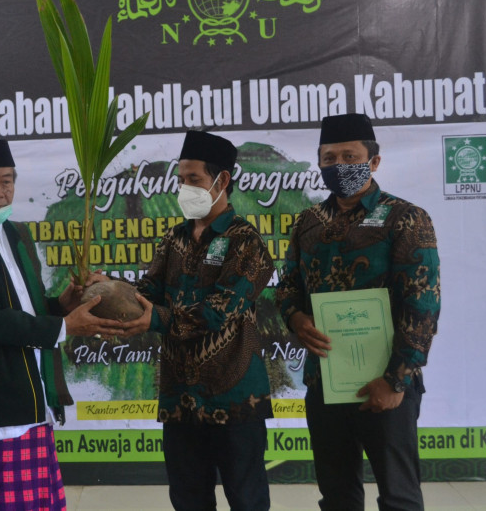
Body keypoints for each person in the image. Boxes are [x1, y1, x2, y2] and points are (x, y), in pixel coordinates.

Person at [0, 139, 127, 511]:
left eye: (7, 180)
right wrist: (64, 327)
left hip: (30, 406)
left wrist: (62, 304)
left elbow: (25, 309)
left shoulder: (15, 234)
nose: (0, 192)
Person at [276, 113, 441, 511]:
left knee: (399, 497)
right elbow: (288, 286)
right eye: (329, 158)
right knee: (337, 496)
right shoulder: (308, 223)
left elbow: (422, 305)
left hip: (386, 380)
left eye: (349, 156)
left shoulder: (406, 218)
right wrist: (296, 318)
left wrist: (396, 380)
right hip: (325, 381)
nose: (339, 165)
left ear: (374, 161)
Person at [121, 130, 275, 511]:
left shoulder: (246, 242)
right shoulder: (173, 239)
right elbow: (147, 292)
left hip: (235, 402)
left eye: (194, 179)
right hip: (180, 401)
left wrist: (155, 318)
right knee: (189, 501)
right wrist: (108, 291)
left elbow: (220, 310)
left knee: (247, 501)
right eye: (181, 179)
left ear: (222, 181)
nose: (184, 188)